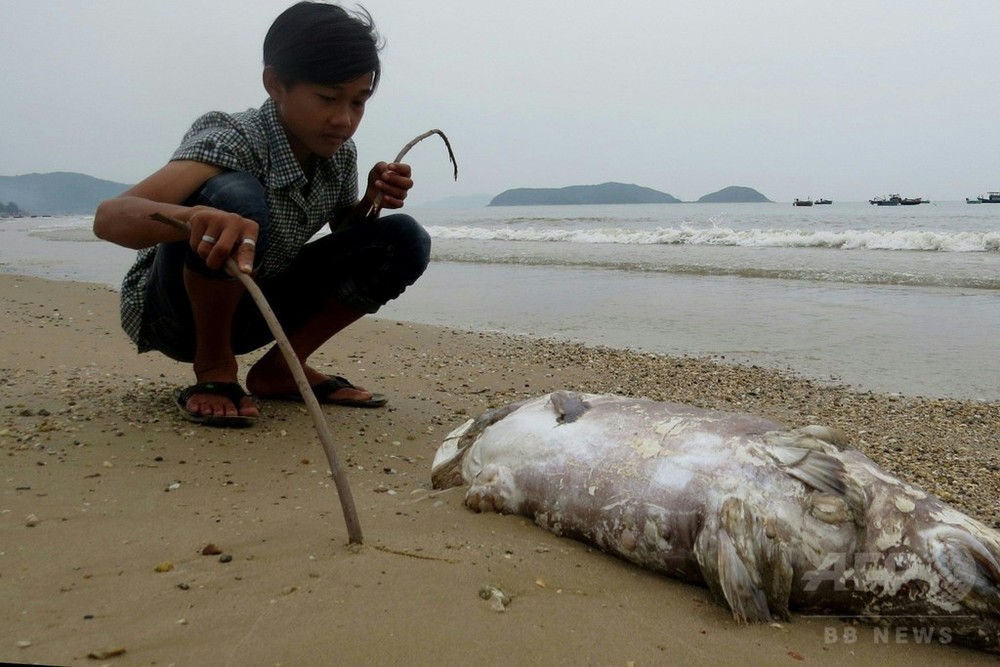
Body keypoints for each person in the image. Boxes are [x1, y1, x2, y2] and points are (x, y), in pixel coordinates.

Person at [93, 1, 431, 427]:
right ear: (275, 83)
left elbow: (349, 236)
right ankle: (214, 368)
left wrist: (370, 200)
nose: (344, 119)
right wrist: (194, 218)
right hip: (176, 315)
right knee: (232, 196)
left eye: (358, 102)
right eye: (328, 97)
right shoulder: (234, 138)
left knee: (403, 238)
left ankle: (282, 367)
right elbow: (109, 217)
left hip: (255, 306)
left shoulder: (338, 153)